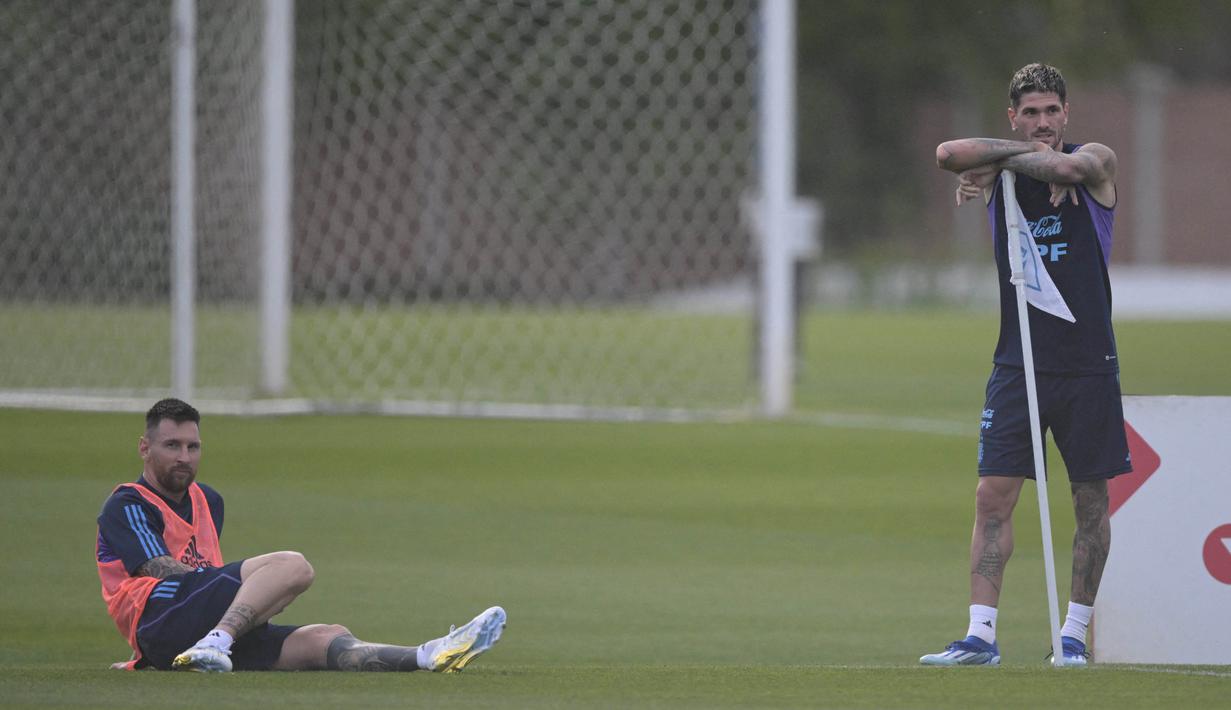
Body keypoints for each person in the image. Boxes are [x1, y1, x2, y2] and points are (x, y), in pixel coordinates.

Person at [922, 63, 1130, 666]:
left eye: (1051, 112)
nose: (1042, 123)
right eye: (1029, 113)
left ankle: (1073, 636)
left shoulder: (1097, 162)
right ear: (1012, 116)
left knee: (1090, 502)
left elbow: (1068, 167)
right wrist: (1009, 164)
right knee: (993, 495)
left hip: (1088, 362)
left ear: (1066, 114)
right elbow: (946, 153)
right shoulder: (1006, 174)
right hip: (1018, 362)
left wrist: (1000, 162)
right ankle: (980, 635)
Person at [96, 398, 506, 672]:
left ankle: (428, 655)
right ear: (145, 448)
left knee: (326, 638)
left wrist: (250, 603)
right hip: (163, 622)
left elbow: (204, 580)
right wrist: (255, 595)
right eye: (172, 445)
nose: (184, 457)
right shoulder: (128, 504)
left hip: (193, 629)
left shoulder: (209, 500)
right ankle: (217, 643)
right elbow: (163, 577)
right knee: (293, 567)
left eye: (193, 447)